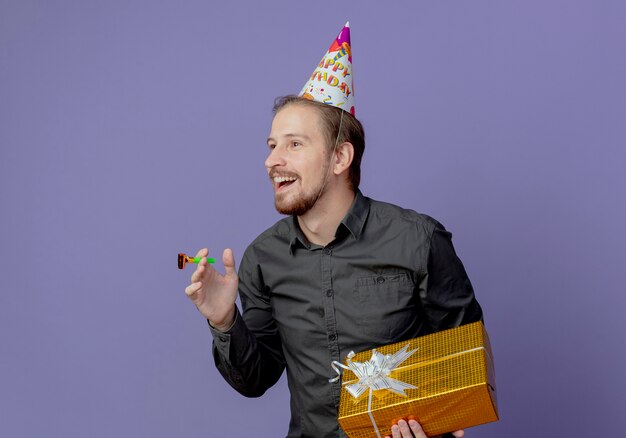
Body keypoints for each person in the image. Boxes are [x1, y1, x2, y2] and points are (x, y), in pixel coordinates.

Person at [184, 23, 482, 438]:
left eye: (294, 144)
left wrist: (441, 425)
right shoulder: (263, 259)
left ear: (341, 157)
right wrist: (224, 320)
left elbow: (464, 362)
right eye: (272, 146)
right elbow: (254, 381)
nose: (272, 161)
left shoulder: (419, 239)